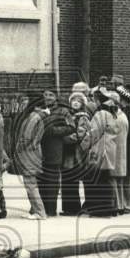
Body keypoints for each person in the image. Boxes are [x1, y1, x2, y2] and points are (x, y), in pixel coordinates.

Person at [82, 90, 119, 217]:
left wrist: (84, 145)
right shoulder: (111, 113)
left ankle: (99, 209)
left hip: (99, 150)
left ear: (98, 99)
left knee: (98, 180)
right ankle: (109, 207)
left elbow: (94, 133)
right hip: (109, 149)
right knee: (105, 179)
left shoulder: (101, 114)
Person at [11, 95, 48, 220]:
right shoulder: (38, 116)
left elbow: (26, 138)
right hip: (34, 152)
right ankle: (35, 211)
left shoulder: (33, 117)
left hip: (28, 153)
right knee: (30, 183)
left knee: (30, 184)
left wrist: (17, 151)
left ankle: (40, 212)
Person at [39, 89, 72, 217]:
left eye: (51, 95)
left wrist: (54, 130)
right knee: (40, 180)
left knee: (52, 181)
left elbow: (71, 127)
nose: (48, 97)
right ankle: (40, 208)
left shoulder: (63, 111)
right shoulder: (39, 110)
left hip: (55, 149)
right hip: (39, 150)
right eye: (46, 95)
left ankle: (51, 209)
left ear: (56, 97)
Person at [60, 91, 91, 216]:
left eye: (78, 101)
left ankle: (74, 207)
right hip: (68, 152)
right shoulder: (69, 115)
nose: (75, 103)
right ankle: (69, 207)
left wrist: (65, 138)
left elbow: (81, 134)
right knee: (67, 180)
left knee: (73, 179)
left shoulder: (83, 117)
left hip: (76, 152)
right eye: (73, 100)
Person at [110, 91, 130, 214]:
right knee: (118, 180)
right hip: (120, 151)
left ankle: (118, 205)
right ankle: (120, 204)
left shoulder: (117, 118)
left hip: (115, 150)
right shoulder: (122, 116)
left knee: (114, 179)